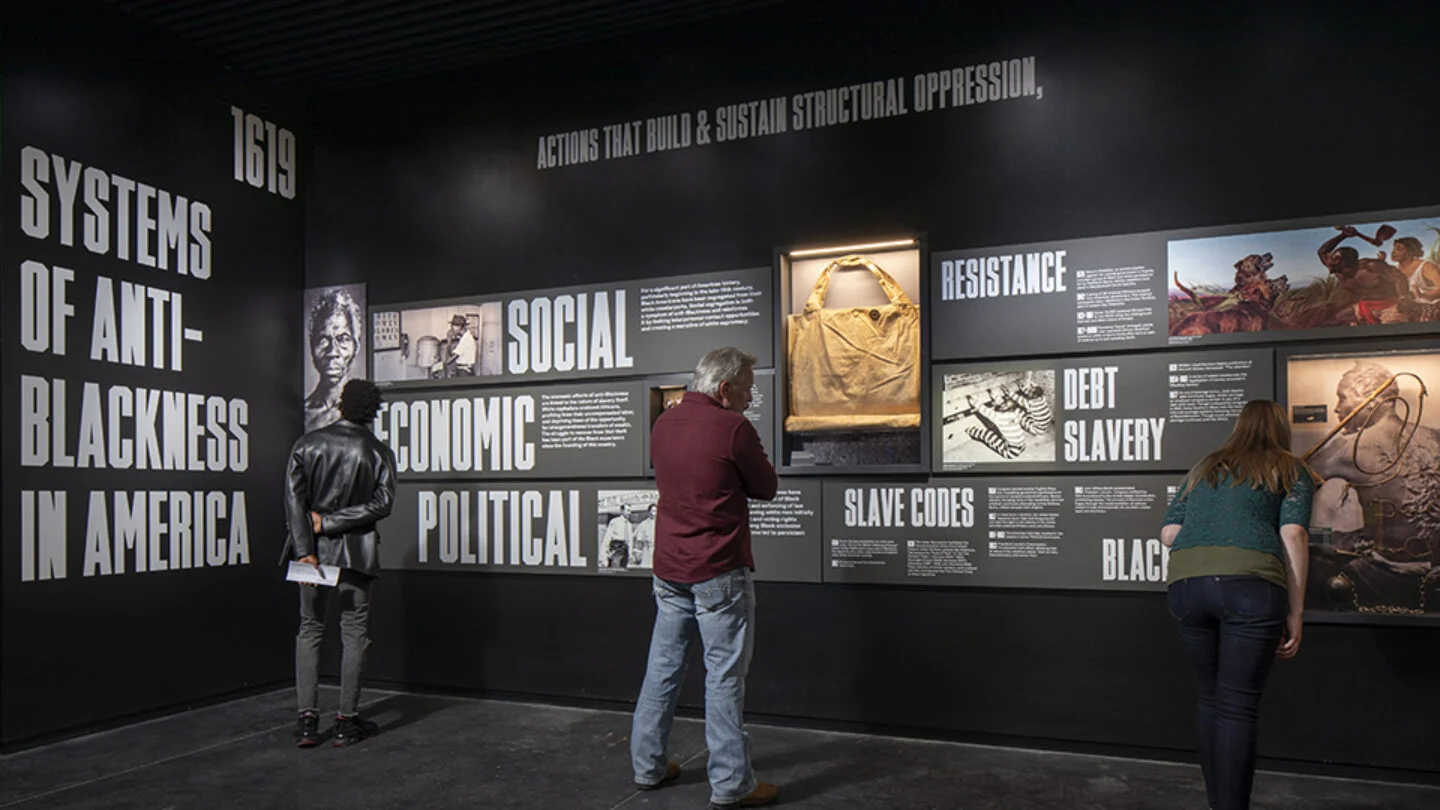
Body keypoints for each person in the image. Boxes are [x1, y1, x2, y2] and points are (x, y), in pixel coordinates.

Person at [631, 347, 780, 809]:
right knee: (724, 677)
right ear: (724, 389)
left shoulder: (663, 424)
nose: (751, 397)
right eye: (748, 389)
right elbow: (767, 486)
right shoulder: (733, 427)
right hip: (718, 570)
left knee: (662, 669)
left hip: (670, 568)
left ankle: (647, 765)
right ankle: (732, 783)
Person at [1160, 399, 1315, 810]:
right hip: (1250, 586)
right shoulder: (1290, 468)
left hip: (1186, 586)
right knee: (1237, 706)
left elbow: (1169, 533)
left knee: (1211, 698)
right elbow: (1295, 534)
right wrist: (1297, 613)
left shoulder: (1205, 467)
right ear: (1281, 429)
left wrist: (1215, 526)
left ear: (1238, 426)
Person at [283, 378, 397, 748]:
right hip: (357, 557)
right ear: (372, 410)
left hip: (312, 554)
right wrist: (335, 523)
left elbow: (294, 504)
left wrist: (307, 547)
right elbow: (383, 505)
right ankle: (346, 722)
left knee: (310, 629)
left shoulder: (307, 444)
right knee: (354, 636)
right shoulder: (379, 452)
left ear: (341, 404)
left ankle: (306, 721)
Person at [303, 288, 363, 433]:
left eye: (343, 339)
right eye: (323, 340)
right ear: (312, 346)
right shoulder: (304, 414)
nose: (332, 352)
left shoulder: (363, 411)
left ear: (355, 347)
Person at [430, 313, 477, 378]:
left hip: (464, 371)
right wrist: (449, 341)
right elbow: (452, 354)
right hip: (462, 369)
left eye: (453, 326)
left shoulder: (466, 340)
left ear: (459, 327)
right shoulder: (464, 338)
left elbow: (450, 360)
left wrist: (438, 366)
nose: (451, 328)